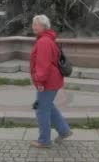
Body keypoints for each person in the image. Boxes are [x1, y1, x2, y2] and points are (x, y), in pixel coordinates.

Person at [29, 14, 72, 148]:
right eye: (33, 24)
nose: (33, 26)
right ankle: (64, 131)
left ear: (44, 26)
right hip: (52, 80)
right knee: (48, 106)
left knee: (41, 110)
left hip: (47, 82)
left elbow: (43, 64)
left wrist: (40, 82)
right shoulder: (46, 39)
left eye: (36, 24)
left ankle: (44, 141)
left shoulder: (43, 42)